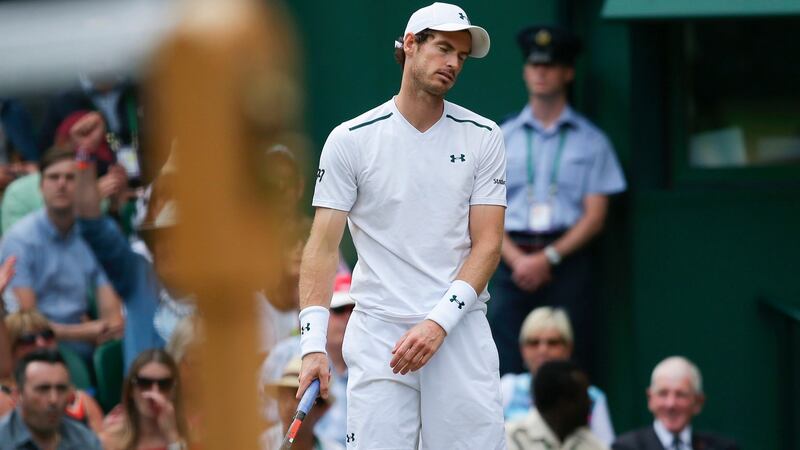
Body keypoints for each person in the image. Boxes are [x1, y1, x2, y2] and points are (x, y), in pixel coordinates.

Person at [297, 3, 506, 448]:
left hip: (459, 333)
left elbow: (488, 246)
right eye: (443, 48)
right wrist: (313, 345)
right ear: (410, 44)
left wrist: (438, 324)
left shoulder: (484, 136)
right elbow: (321, 246)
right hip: (378, 335)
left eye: (461, 56)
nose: (453, 63)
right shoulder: (350, 140)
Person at [488, 25, 627, 376]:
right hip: (510, 259)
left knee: (570, 357)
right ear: (525, 71)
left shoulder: (591, 141)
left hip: (565, 262)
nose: (541, 73)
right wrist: (518, 260)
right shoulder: (501, 137)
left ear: (568, 72)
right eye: (534, 65)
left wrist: (547, 258)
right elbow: (484, 210)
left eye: (550, 65)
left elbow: (595, 216)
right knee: (503, 356)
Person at [0, 146, 124, 361]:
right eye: (53, 177)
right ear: (41, 187)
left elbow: (112, 315)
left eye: (70, 177)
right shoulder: (19, 240)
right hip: (36, 347)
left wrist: (107, 329)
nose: (61, 184)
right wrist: (85, 332)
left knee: (117, 351)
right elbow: (29, 324)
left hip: (88, 341)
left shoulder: (93, 234)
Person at [260, 271, 353, 445]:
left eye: (353, 311)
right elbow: (257, 414)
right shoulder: (286, 353)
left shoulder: (368, 361)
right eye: (340, 310)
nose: (347, 318)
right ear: (321, 315)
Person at [500, 307, 614, 444]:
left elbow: (605, 444)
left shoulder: (592, 398)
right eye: (534, 343)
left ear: (568, 348)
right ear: (522, 349)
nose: (543, 350)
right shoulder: (508, 387)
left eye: (552, 343)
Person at [0, 311, 104, 432]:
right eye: (28, 339)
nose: (41, 343)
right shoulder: (3, 399)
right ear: (9, 348)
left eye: (47, 335)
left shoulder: (81, 401)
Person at [612, 356, 738, 450]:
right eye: (663, 393)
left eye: (681, 395)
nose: (671, 404)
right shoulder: (626, 447)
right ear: (650, 399)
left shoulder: (723, 447)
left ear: (698, 402)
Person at [0, 349, 102, 449]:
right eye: (43, 389)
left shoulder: (85, 440)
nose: (54, 399)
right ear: (17, 395)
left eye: (61, 389)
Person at [99, 349, 189, 450]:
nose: (154, 393)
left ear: (174, 390)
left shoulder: (193, 434)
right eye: (144, 383)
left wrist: (173, 438)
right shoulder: (109, 441)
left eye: (164, 384)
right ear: (131, 390)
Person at [506, 360, 607, 450]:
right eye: (583, 397)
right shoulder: (513, 438)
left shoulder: (589, 441)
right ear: (561, 403)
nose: (590, 402)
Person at [262, 357, 343, 450]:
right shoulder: (259, 445)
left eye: (299, 398)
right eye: (283, 397)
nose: (288, 406)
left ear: (322, 408)